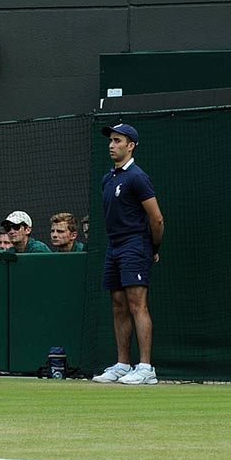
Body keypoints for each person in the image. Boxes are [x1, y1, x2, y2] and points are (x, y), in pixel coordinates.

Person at [92, 123, 164, 386]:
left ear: (130, 145)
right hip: (114, 246)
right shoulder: (107, 178)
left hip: (136, 244)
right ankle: (123, 365)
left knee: (137, 304)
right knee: (118, 304)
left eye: (118, 140)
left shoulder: (137, 177)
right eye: (110, 140)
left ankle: (146, 368)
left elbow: (156, 219)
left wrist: (152, 248)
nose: (112, 145)